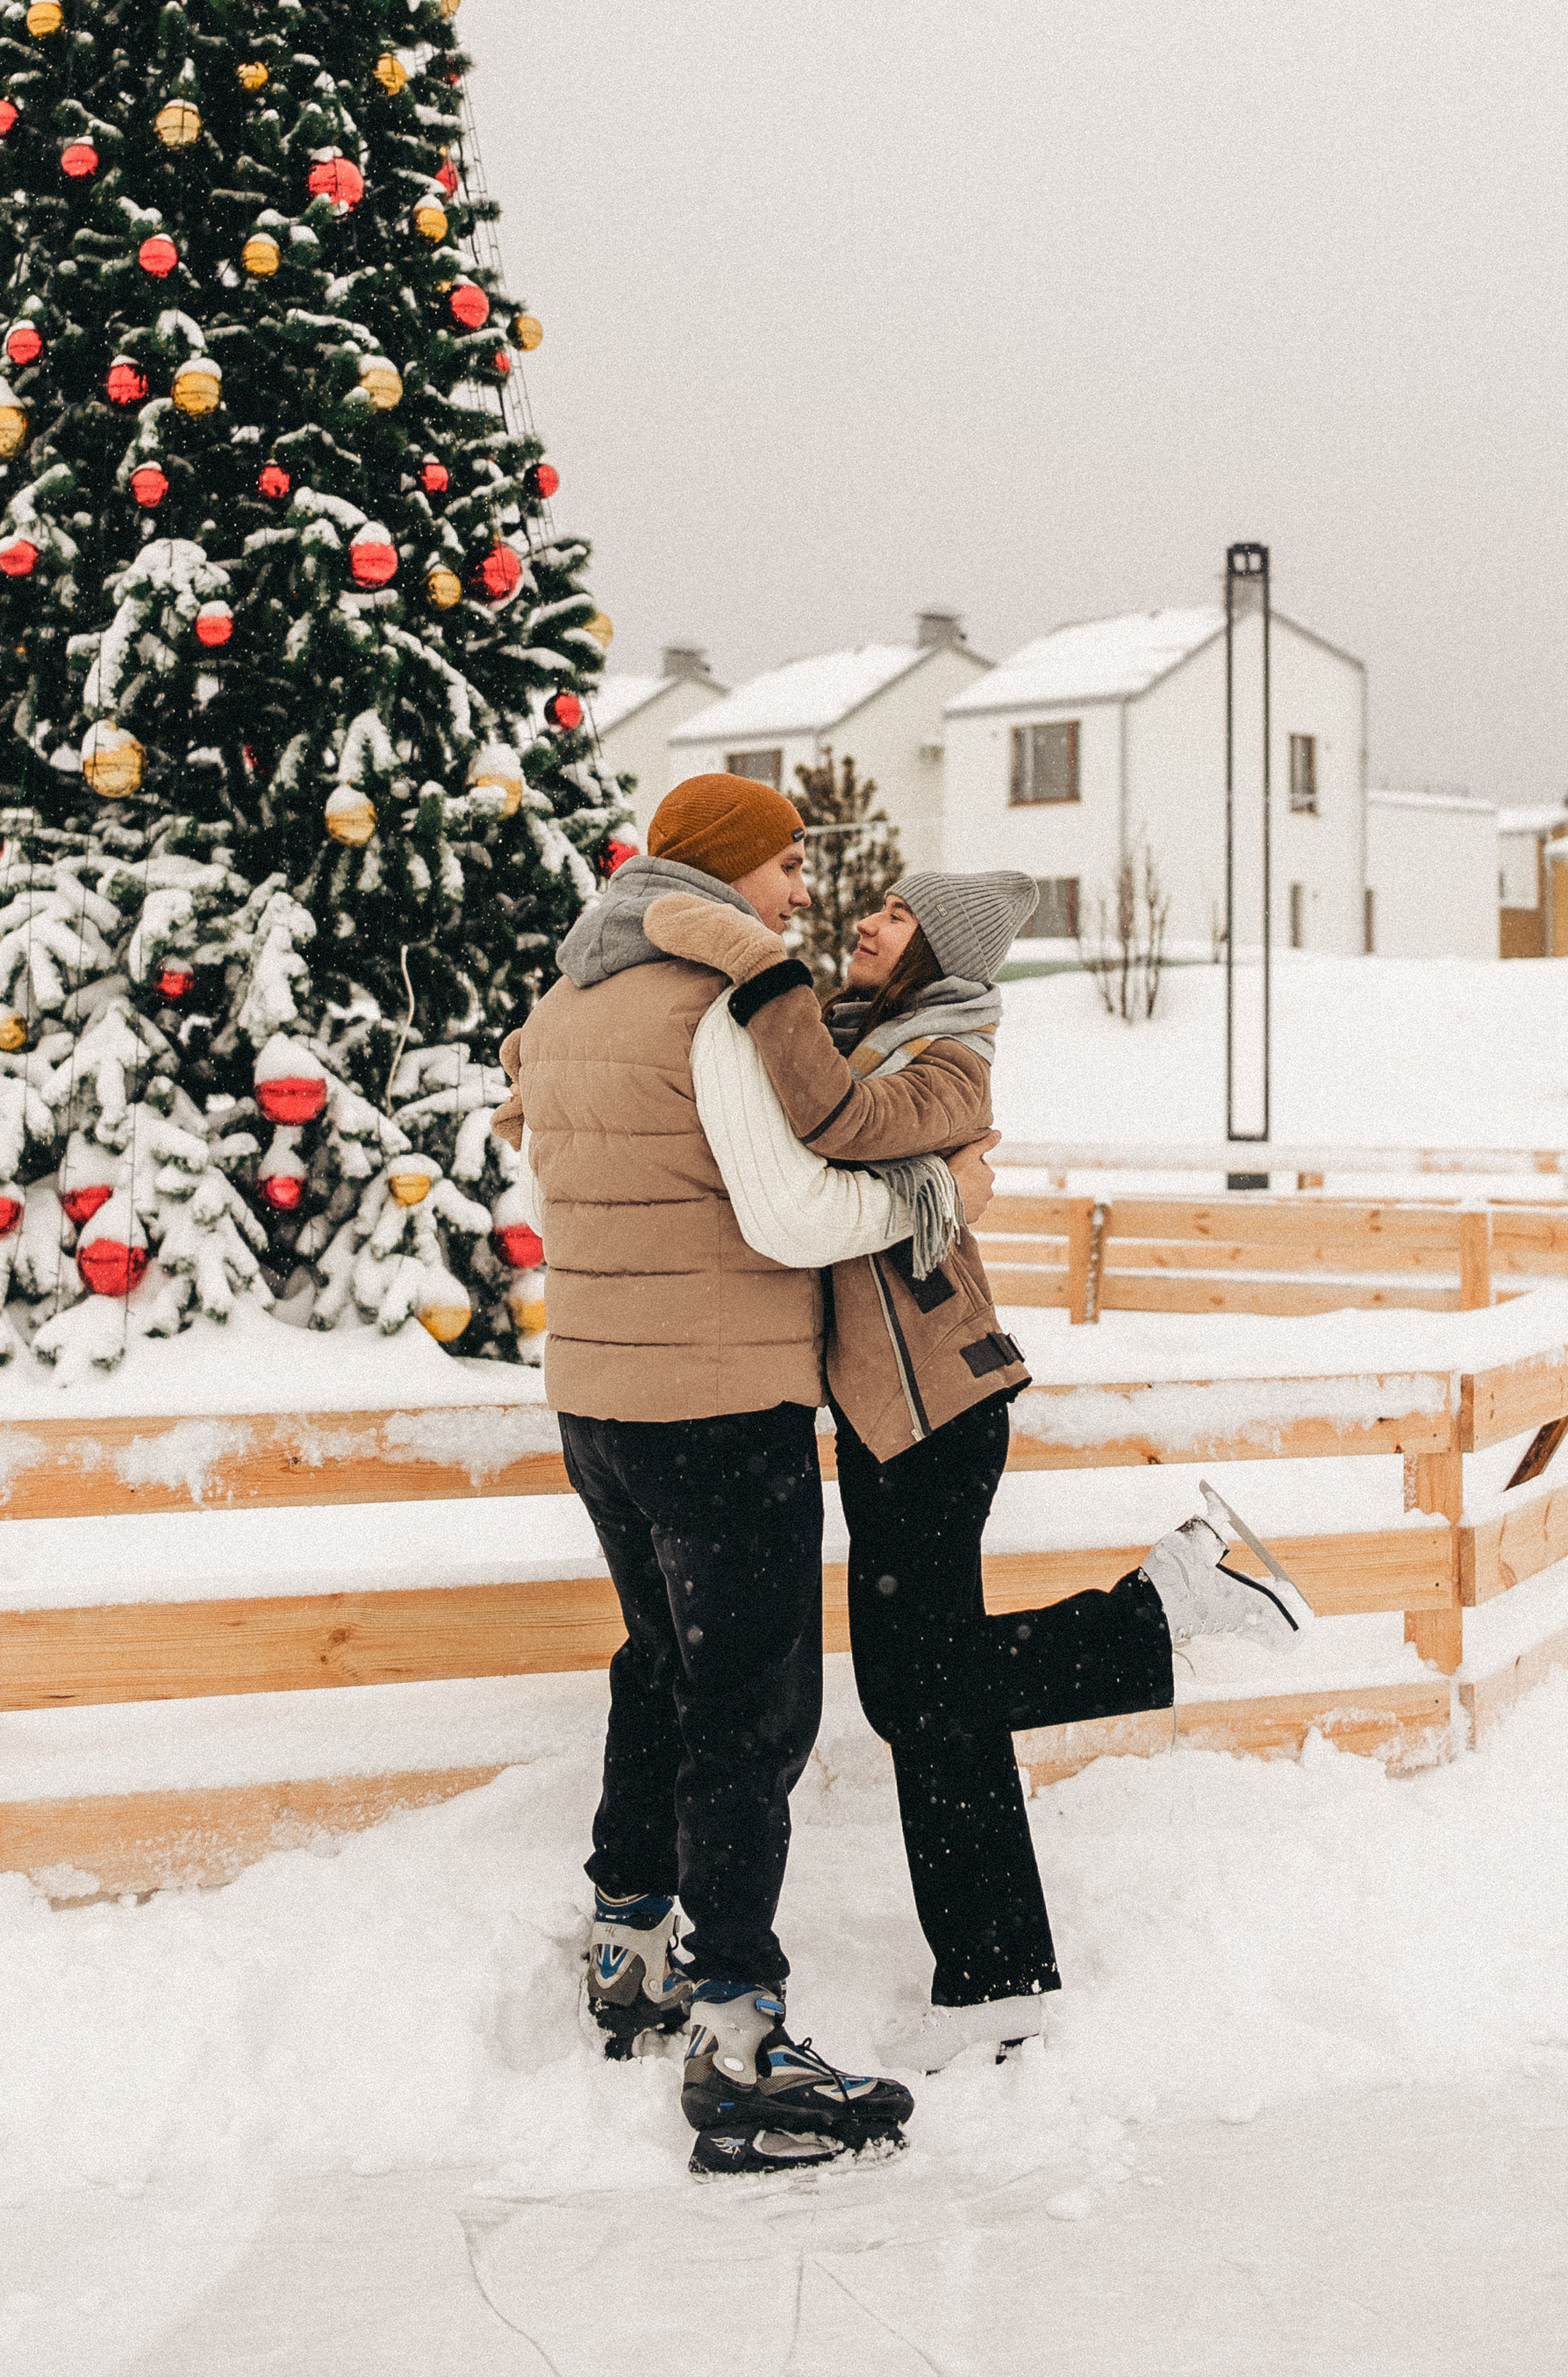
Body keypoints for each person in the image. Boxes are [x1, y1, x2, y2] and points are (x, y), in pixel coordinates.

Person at [640, 865, 1312, 2079]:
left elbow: (835, 1129)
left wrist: (761, 974)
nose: (866, 923)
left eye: (894, 917)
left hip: (941, 1411)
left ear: (935, 952)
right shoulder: (862, 1039)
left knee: (918, 1693)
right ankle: (995, 1983)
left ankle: (1167, 1605)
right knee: (932, 1696)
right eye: (874, 907)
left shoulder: (947, 1063)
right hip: (887, 1417)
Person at [498, 771, 999, 2179]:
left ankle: (630, 1948)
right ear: (724, 868)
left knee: (661, 1664)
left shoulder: (572, 999)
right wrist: (934, 1187)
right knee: (750, 1708)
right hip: (720, 1404)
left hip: (598, 1395)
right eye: (785, 865)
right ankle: (739, 2043)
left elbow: (560, 1186)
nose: (800, 893)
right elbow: (784, 1215)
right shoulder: (711, 1003)